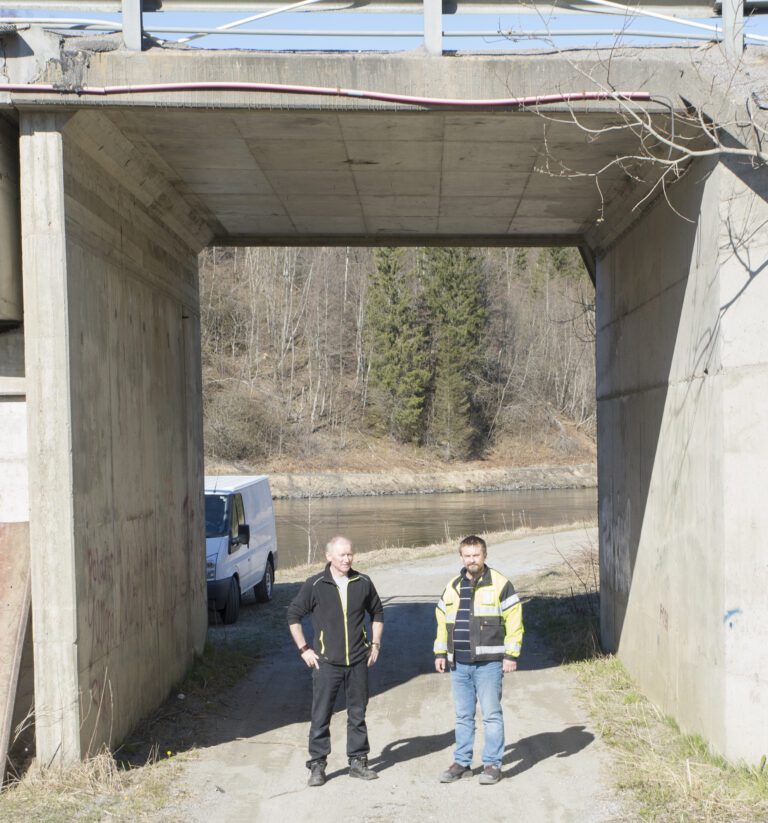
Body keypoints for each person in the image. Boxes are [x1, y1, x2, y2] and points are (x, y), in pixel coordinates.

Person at [287, 535, 384, 787]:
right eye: (341, 555)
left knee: (357, 713)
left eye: (350, 554)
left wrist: (375, 644)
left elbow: (377, 612)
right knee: (321, 715)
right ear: (329, 556)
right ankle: (317, 765)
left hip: (358, 661)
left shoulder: (363, 581)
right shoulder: (315, 584)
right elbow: (293, 615)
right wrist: (304, 649)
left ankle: (358, 761)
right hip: (326, 663)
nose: (347, 558)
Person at [434, 534, 523, 785]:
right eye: (467, 555)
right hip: (459, 663)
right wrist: (440, 653)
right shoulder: (452, 586)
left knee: (491, 715)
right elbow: (442, 622)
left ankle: (493, 764)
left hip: (489, 664)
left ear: (485, 555)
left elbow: (514, 621)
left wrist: (511, 655)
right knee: (463, 716)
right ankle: (462, 762)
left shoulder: (500, 584)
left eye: (476, 555)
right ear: (461, 557)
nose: (472, 560)